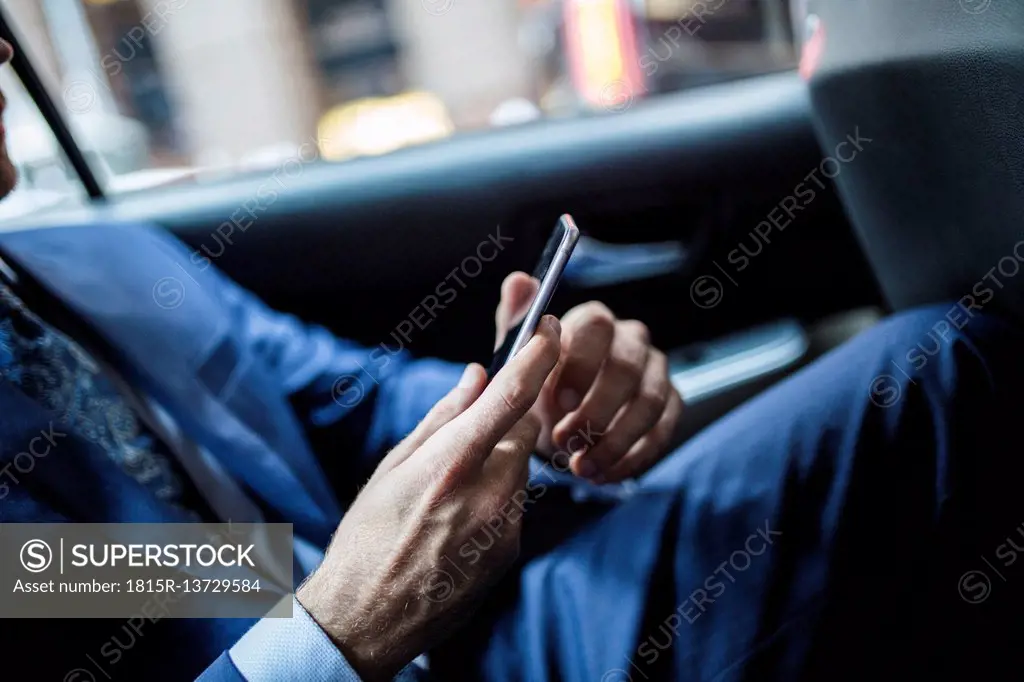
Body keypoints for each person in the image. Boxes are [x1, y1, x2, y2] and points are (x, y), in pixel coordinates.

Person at [1, 37, 1023, 682]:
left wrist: (522, 407)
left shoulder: (89, 259)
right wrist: (339, 630)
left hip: (480, 634)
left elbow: (346, 406)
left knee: (934, 373)